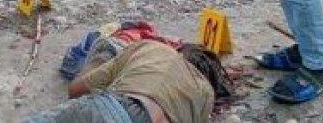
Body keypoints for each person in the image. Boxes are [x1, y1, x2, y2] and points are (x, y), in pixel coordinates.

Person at [25, 41, 233, 123]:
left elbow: (77, 89)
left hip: (116, 109)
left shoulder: (152, 48)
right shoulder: (206, 93)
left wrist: (101, 58)